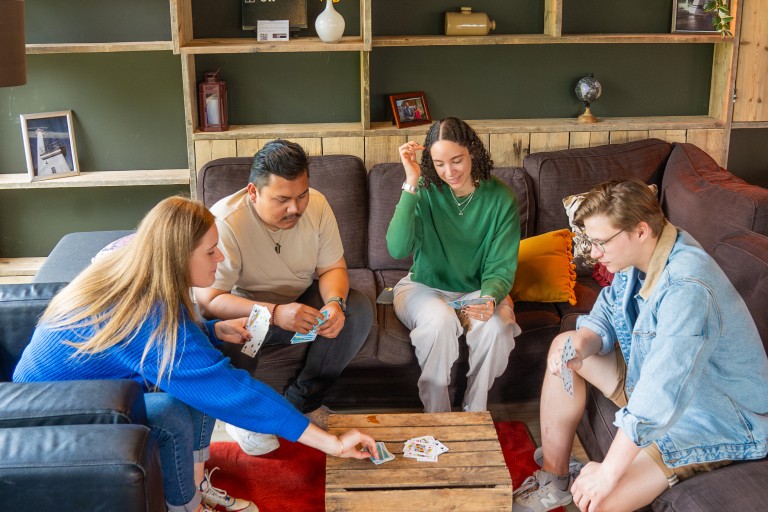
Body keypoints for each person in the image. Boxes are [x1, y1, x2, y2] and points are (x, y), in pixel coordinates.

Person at [13, 197, 378, 512]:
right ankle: (185, 504)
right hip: (49, 417)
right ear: (177, 255)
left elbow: (145, 346)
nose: (220, 258)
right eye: (209, 251)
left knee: (195, 380)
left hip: (79, 395)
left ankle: (196, 483)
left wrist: (211, 330)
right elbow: (235, 392)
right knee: (173, 408)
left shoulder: (141, 269)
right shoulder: (145, 314)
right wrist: (330, 442)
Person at [513, 179, 768, 512]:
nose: (593, 253)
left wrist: (607, 473)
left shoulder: (686, 288)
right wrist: (583, 343)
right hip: (658, 385)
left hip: (710, 419)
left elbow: (661, 392)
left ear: (641, 230)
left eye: (601, 242)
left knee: (603, 501)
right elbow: (607, 308)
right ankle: (556, 478)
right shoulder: (641, 253)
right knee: (564, 346)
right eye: (590, 241)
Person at [195, 139, 373, 455]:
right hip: (249, 304)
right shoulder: (225, 222)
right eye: (282, 199)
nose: (295, 208)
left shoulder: (317, 205)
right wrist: (274, 312)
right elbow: (210, 300)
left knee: (356, 307)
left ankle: (301, 403)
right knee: (229, 326)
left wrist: (334, 303)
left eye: (301, 195)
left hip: (301, 298)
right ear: (253, 192)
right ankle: (243, 417)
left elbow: (333, 268)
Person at [386, 117, 522, 413]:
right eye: (439, 164)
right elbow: (397, 249)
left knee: (497, 328)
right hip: (423, 288)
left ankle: (475, 411)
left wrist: (490, 297)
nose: (449, 172)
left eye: (456, 160)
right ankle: (437, 417)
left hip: (477, 291)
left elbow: (500, 265)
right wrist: (411, 183)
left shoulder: (500, 198)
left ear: (472, 151)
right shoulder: (424, 190)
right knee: (440, 322)